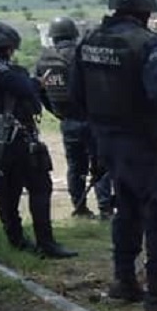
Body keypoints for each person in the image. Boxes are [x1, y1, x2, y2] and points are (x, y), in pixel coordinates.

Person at [70, 0, 157, 311]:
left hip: (107, 143)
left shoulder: (89, 43)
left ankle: (124, 282)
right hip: (144, 143)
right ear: (145, 9)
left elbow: (75, 96)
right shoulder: (146, 44)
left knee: (127, 209)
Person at [0, 22, 77, 259]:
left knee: (8, 186)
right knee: (39, 185)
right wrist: (34, 83)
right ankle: (45, 243)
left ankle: (17, 239)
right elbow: (21, 86)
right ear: (3, 45)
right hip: (12, 134)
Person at [35, 16, 114, 220]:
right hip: (91, 119)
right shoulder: (81, 54)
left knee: (75, 166)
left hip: (67, 120)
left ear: (53, 36)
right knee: (100, 164)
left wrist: (57, 113)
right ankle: (105, 208)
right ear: (73, 34)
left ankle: (79, 208)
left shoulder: (44, 61)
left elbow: (40, 92)